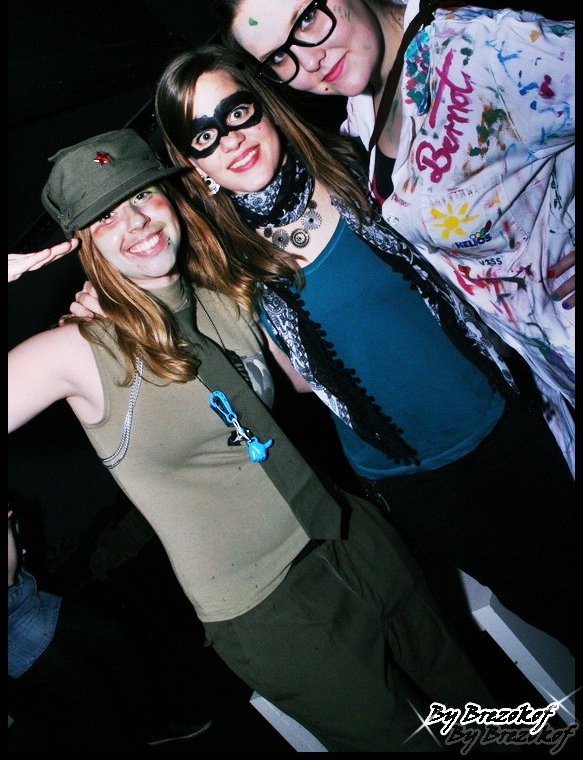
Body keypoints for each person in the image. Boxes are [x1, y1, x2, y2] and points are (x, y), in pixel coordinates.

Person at [8, 128, 507, 753]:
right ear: (81, 243)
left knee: (475, 710)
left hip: (351, 535)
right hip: (269, 609)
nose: (134, 222)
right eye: (104, 217)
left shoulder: (223, 291)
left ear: (171, 197)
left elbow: (308, 374)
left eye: (141, 196)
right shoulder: (78, 352)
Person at [151, 44, 574, 653]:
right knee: (550, 604)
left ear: (264, 106)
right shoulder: (224, 267)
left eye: (237, 112)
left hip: (506, 418)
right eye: (204, 136)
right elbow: (292, 380)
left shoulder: (360, 167)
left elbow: (495, 208)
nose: (231, 139)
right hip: (416, 481)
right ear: (194, 165)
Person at [216, 0, 575, 476]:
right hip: (550, 378)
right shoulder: (362, 113)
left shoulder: (478, 52)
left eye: (306, 21)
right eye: (280, 57)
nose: (310, 61)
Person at [8, 502, 212, 751]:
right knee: (89, 691)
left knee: (112, 636)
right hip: (12, 625)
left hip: (28, 597)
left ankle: (153, 726)